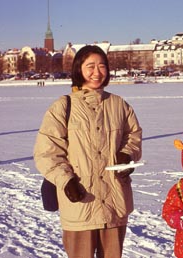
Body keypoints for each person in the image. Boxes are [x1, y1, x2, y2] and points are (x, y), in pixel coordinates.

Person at [34, 45, 142, 258]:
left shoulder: (119, 105)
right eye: (90, 66)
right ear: (78, 69)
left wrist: (127, 155)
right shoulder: (63, 107)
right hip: (80, 202)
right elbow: (47, 152)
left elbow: (134, 136)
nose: (97, 72)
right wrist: (65, 180)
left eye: (102, 66)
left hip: (114, 203)